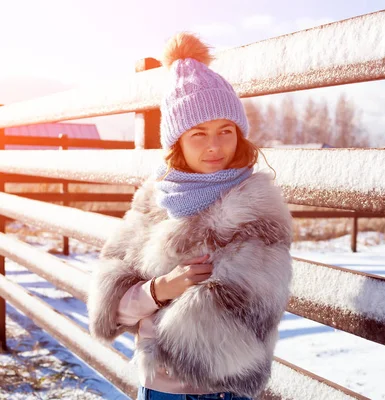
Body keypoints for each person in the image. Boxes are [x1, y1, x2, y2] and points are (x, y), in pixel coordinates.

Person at [86, 32, 293, 400]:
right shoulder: (154, 200)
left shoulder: (255, 208)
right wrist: (160, 289)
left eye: (225, 131)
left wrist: (151, 314)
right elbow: (110, 303)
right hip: (155, 387)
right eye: (198, 134)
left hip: (217, 392)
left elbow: (245, 321)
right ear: (177, 141)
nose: (214, 145)